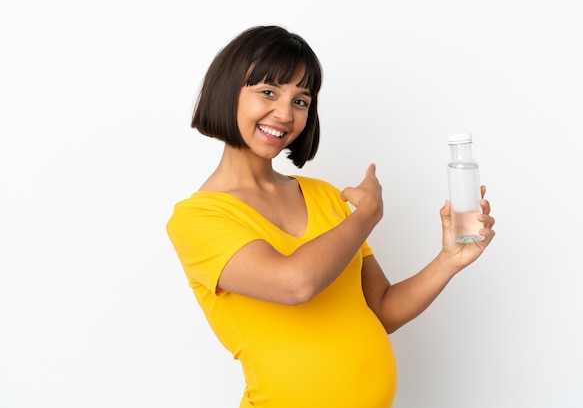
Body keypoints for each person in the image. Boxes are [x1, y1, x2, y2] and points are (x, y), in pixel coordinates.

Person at [166, 25, 495, 408]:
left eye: (301, 100)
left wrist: (449, 261)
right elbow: (294, 284)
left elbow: (381, 310)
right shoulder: (197, 218)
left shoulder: (324, 195)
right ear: (227, 93)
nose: (285, 113)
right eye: (268, 92)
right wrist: (367, 214)